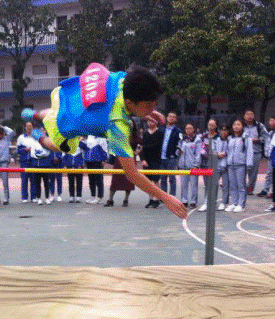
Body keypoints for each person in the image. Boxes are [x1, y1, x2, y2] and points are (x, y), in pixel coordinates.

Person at [22, 63, 187, 219]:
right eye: (149, 105)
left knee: (54, 110)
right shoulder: (118, 126)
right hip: (69, 121)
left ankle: (34, 115)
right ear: (131, 102)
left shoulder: (125, 81)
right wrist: (165, 197)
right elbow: (132, 173)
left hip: (72, 94)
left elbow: (128, 103)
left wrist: (148, 112)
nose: (153, 108)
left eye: (154, 104)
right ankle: (38, 136)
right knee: (60, 146)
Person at [104, 120, 141, 207]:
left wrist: (136, 152)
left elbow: (141, 146)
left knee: (129, 180)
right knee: (115, 179)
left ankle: (126, 199)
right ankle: (110, 200)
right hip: (119, 158)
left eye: (131, 123)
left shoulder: (135, 136)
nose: (129, 125)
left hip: (130, 159)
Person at [225, 119, 253, 212]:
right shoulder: (230, 138)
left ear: (242, 126)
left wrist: (249, 164)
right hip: (230, 164)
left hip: (241, 164)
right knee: (233, 185)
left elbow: (249, 151)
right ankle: (234, 203)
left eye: (238, 124)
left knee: (241, 185)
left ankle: (241, 204)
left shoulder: (246, 138)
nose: (236, 126)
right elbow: (228, 151)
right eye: (234, 124)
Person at [243, 109, 270, 195]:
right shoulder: (241, 125)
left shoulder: (259, 126)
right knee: (242, 170)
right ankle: (242, 188)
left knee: (253, 172)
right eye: (247, 114)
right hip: (243, 152)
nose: (249, 116)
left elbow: (266, 137)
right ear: (244, 116)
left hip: (256, 152)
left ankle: (250, 188)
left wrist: (258, 140)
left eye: (251, 114)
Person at [140, 116, 164, 208]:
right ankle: (150, 199)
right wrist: (143, 159)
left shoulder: (160, 133)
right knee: (148, 180)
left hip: (156, 159)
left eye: (152, 121)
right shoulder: (145, 133)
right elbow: (142, 147)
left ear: (156, 122)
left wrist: (147, 147)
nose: (150, 123)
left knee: (155, 179)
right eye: (149, 121)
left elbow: (157, 146)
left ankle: (157, 199)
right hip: (147, 159)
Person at [177, 124, 202, 208]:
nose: (188, 130)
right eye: (186, 128)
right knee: (183, 185)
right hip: (183, 165)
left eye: (190, 128)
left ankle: (193, 201)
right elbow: (177, 151)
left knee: (194, 185)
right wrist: (178, 151)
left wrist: (196, 165)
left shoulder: (197, 140)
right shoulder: (182, 139)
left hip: (192, 166)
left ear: (194, 129)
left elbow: (198, 154)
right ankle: (184, 200)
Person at [158, 112, 182, 197]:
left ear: (176, 119)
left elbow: (180, 143)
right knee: (163, 178)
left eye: (173, 117)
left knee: (172, 178)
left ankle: (172, 196)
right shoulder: (161, 129)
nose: (171, 118)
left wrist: (176, 155)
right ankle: (164, 196)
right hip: (161, 157)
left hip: (172, 157)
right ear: (167, 117)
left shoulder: (178, 131)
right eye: (170, 116)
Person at [198, 119, 220, 212]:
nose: (210, 127)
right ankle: (206, 202)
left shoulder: (218, 137)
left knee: (214, 183)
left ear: (216, 126)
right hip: (205, 162)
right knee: (207, 184)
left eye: (212, 125)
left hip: (215, 162)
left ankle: (212, 202)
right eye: (209, 125)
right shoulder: (203, 136)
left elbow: (219, 149)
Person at [80, 135, 108, 204]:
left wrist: (104, 159)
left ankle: (100, 197)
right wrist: (81, 140)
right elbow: (82, 147)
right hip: (89, 161)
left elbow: (105, 148)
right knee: (91, 180)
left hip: (97, 160)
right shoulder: (87, 137)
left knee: (99, 179)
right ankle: (93, 196)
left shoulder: (100, 137)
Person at [257, 116, 275, 198]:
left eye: (274, 120)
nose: (272, 123)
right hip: (271, 156)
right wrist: (267, 153)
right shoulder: (270, 133)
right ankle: (266, 189)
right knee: (269, 173)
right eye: (270, 121)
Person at [16, 122, 37, 203]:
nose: (29, 128)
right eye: (27, 126)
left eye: (30, 126)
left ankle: (34, 197)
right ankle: (24, 197)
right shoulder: (21, 137)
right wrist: (25, 149)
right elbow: (18, 150)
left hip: (33, 161)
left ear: (32, 127)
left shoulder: (36, 137)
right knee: (24, 180)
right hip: (24, 162)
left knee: (34, 179)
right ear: (25, 127)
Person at [215, 124, 230, 211]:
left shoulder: (230, 140)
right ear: (220, 131)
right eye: (222, 130)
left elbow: (231, 150)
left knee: (225, 185)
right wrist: (217, 154)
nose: (224, 132)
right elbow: (213, 150)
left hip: (226, 166)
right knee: (214, 184)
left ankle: (224, 202)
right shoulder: (216, 140)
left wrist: (225, 153)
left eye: (226, 130)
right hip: (217, 165)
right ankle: (213, 201)